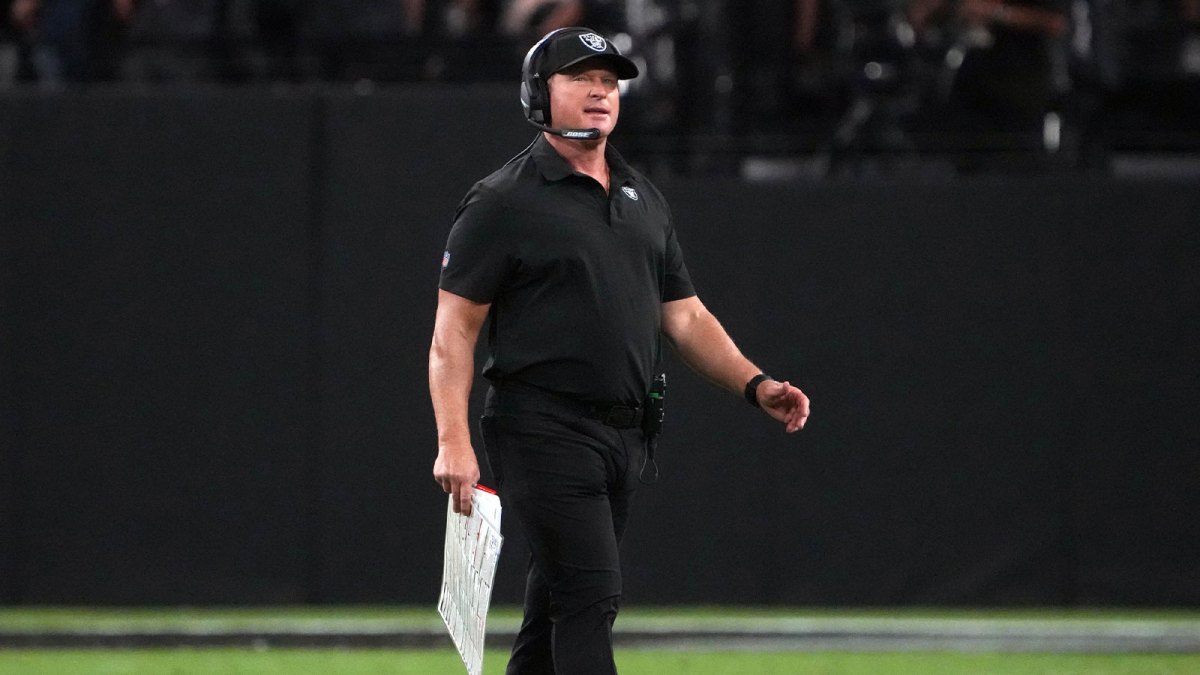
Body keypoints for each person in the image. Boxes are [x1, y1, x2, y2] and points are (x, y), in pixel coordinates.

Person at [428, 26, 810, 675]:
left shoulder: (641, 197)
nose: (600, 92)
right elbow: (452, 333)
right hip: (540, 424)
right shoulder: (504, 200)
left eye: (608, 81)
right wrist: (453, 439)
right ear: (539, 92)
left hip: (625, 433)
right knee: (589, 595)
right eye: (580, 78)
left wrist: (755, 383)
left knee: (553, 610)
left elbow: (685, 317)